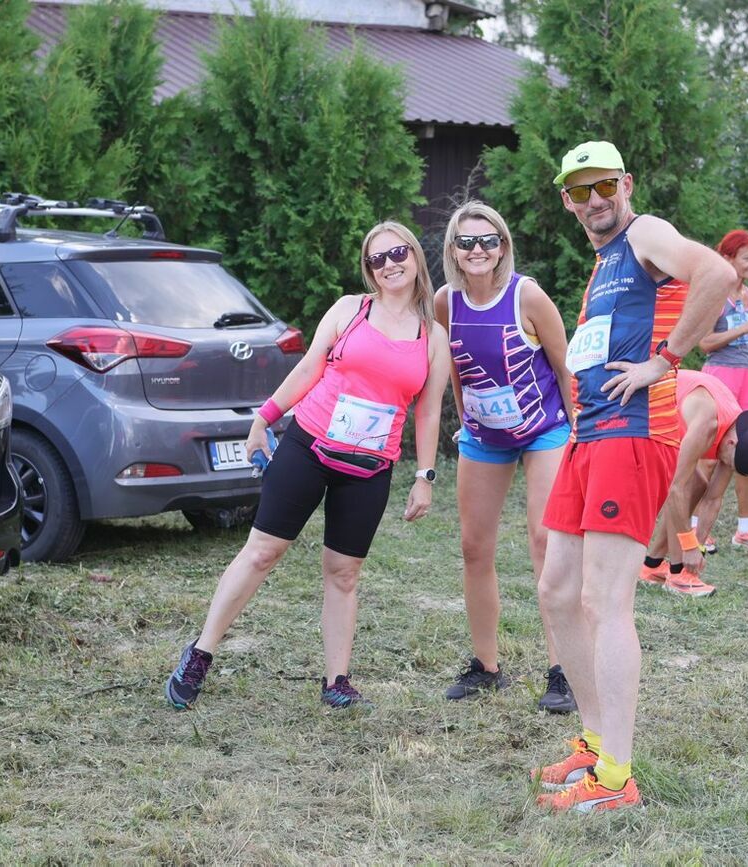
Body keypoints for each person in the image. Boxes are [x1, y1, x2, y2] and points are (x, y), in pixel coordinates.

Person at [165, 221, 450, 710]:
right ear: (369, 269)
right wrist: (264, 418)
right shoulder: (350, 310)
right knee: (262, 552)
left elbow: (428, 412)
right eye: (377, 259)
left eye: (398, 253)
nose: (389, 264)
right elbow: (310, 367)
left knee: (344, 572)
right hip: (308, 446)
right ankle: (200, 653)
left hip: (369, 467)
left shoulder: (433, 337)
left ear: (415, 256)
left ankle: (336, 680)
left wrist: (424, 477)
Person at [530, 141, 735, 813]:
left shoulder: (645, 233)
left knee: (604, 599)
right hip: (590, 436)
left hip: (634, 432)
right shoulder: (604, 262)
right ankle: (595, 743)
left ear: (627, 185)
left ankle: (616, 778)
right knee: (557, 589)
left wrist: (665, 361)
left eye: (604, 186)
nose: (594, 200)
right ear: (567, 200)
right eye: (579, 190)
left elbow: (717, 275)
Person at [431, 202, 577, 712]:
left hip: (545, 431)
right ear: (453, 250)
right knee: (474, 548)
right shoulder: (445, 302)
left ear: (502, 247)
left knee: (545, 543)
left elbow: (565, 368)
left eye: (488, 240)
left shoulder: (527, 296)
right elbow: (454, 369)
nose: (478, 250)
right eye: (466, 241)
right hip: (484, 437)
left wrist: (578, 434)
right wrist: (465, 422)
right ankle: (486, 667)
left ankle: (564, 672)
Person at [640, 368, 748, 597]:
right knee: (685, 486)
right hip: (643, 411)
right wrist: (688, 547)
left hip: (669, 419)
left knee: (700, 483)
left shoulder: (735, 439)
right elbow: (675, 489)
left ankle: (652, 566)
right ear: (732, 444)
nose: (726, 467)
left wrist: (698, 548)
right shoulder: (708, 424)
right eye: (730, 464)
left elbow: (713, 498)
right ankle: (677, 575)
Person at [697, 229, 748, 555]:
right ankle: (696, 528)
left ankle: (744, 530)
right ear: (728, 258)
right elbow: (704, 344)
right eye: (747, 257)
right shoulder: (715, 296)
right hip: (720, 378)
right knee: (708, 456)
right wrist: (744, 327)